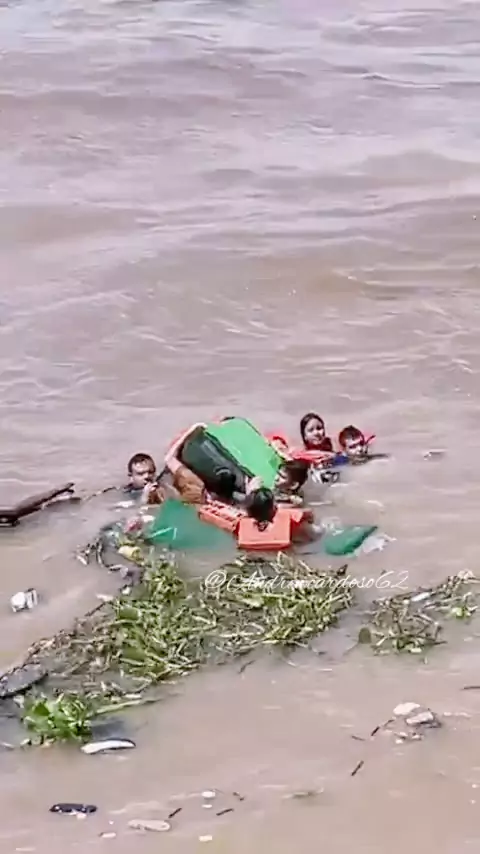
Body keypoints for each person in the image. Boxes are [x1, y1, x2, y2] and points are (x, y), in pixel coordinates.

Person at [244, 487, 320, 544]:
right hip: (302, 542)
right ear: (272, 508)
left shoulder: (244, 521)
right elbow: (309, 515)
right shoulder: (290, 517)